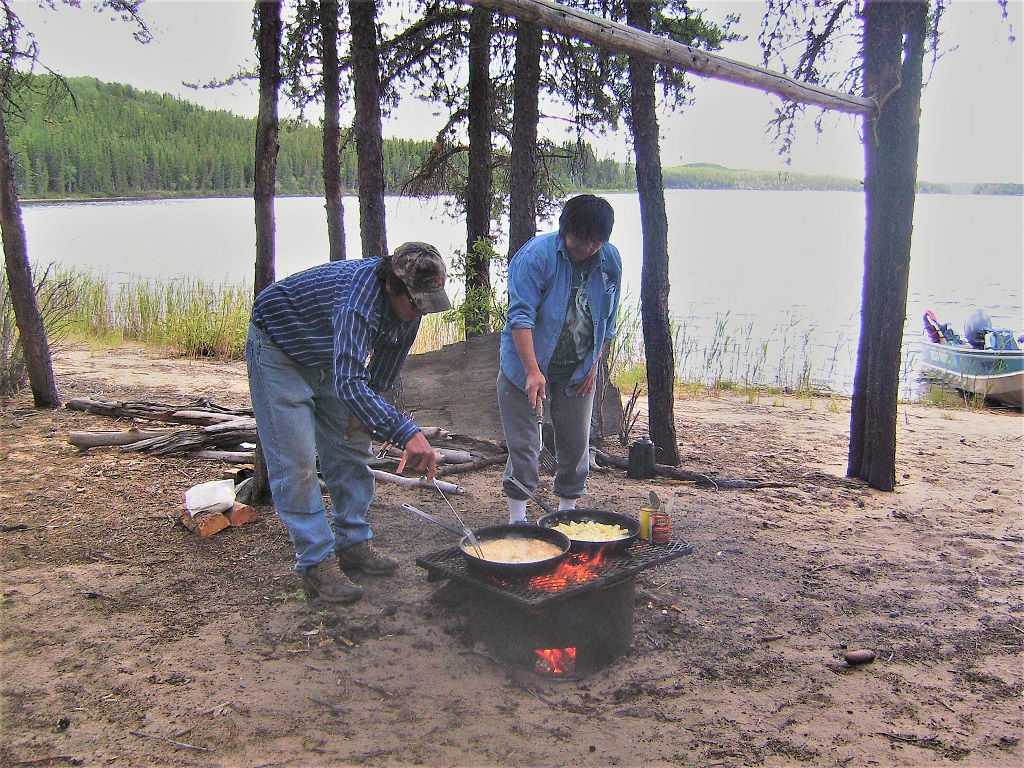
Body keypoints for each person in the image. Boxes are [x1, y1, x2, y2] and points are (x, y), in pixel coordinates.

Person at [246, 242, 452, 605]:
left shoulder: (408, 310)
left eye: (427, 304)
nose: (421, 311)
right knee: (296, 463)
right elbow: (350, 383)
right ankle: (315, 564)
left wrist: (366, 411)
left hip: (330, 356)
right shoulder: (357, 301)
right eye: (416, 303)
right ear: (392, 285)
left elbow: (384, 367)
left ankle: (353, 542)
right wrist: (407, 433)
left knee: (351, 446)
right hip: (279, 349)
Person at [497, 195, 621, 523]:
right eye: (583, 240)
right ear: (566, 229)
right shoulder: (536, 257)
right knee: (526, 445)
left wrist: (594, 365)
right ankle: (518, 520)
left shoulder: (609, 261)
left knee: (576, 442)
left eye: (598, 240)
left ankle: (566, 516)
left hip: (577, 368)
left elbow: (608, 319)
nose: (590, 247)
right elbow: (520, 317)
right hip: (524, 366)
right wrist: (532, 371)